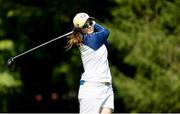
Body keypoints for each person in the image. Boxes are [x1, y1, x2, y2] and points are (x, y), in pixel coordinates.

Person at [67, 12, 114, 114]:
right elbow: (105, 32)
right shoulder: (89, 40)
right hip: (92, 89)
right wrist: (94, 23)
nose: (89, 26)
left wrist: (90, 22)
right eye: (85, 25)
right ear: (80, 29)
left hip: (107, 87)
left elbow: (105, 40)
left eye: (89, 22)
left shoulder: (97, 39)